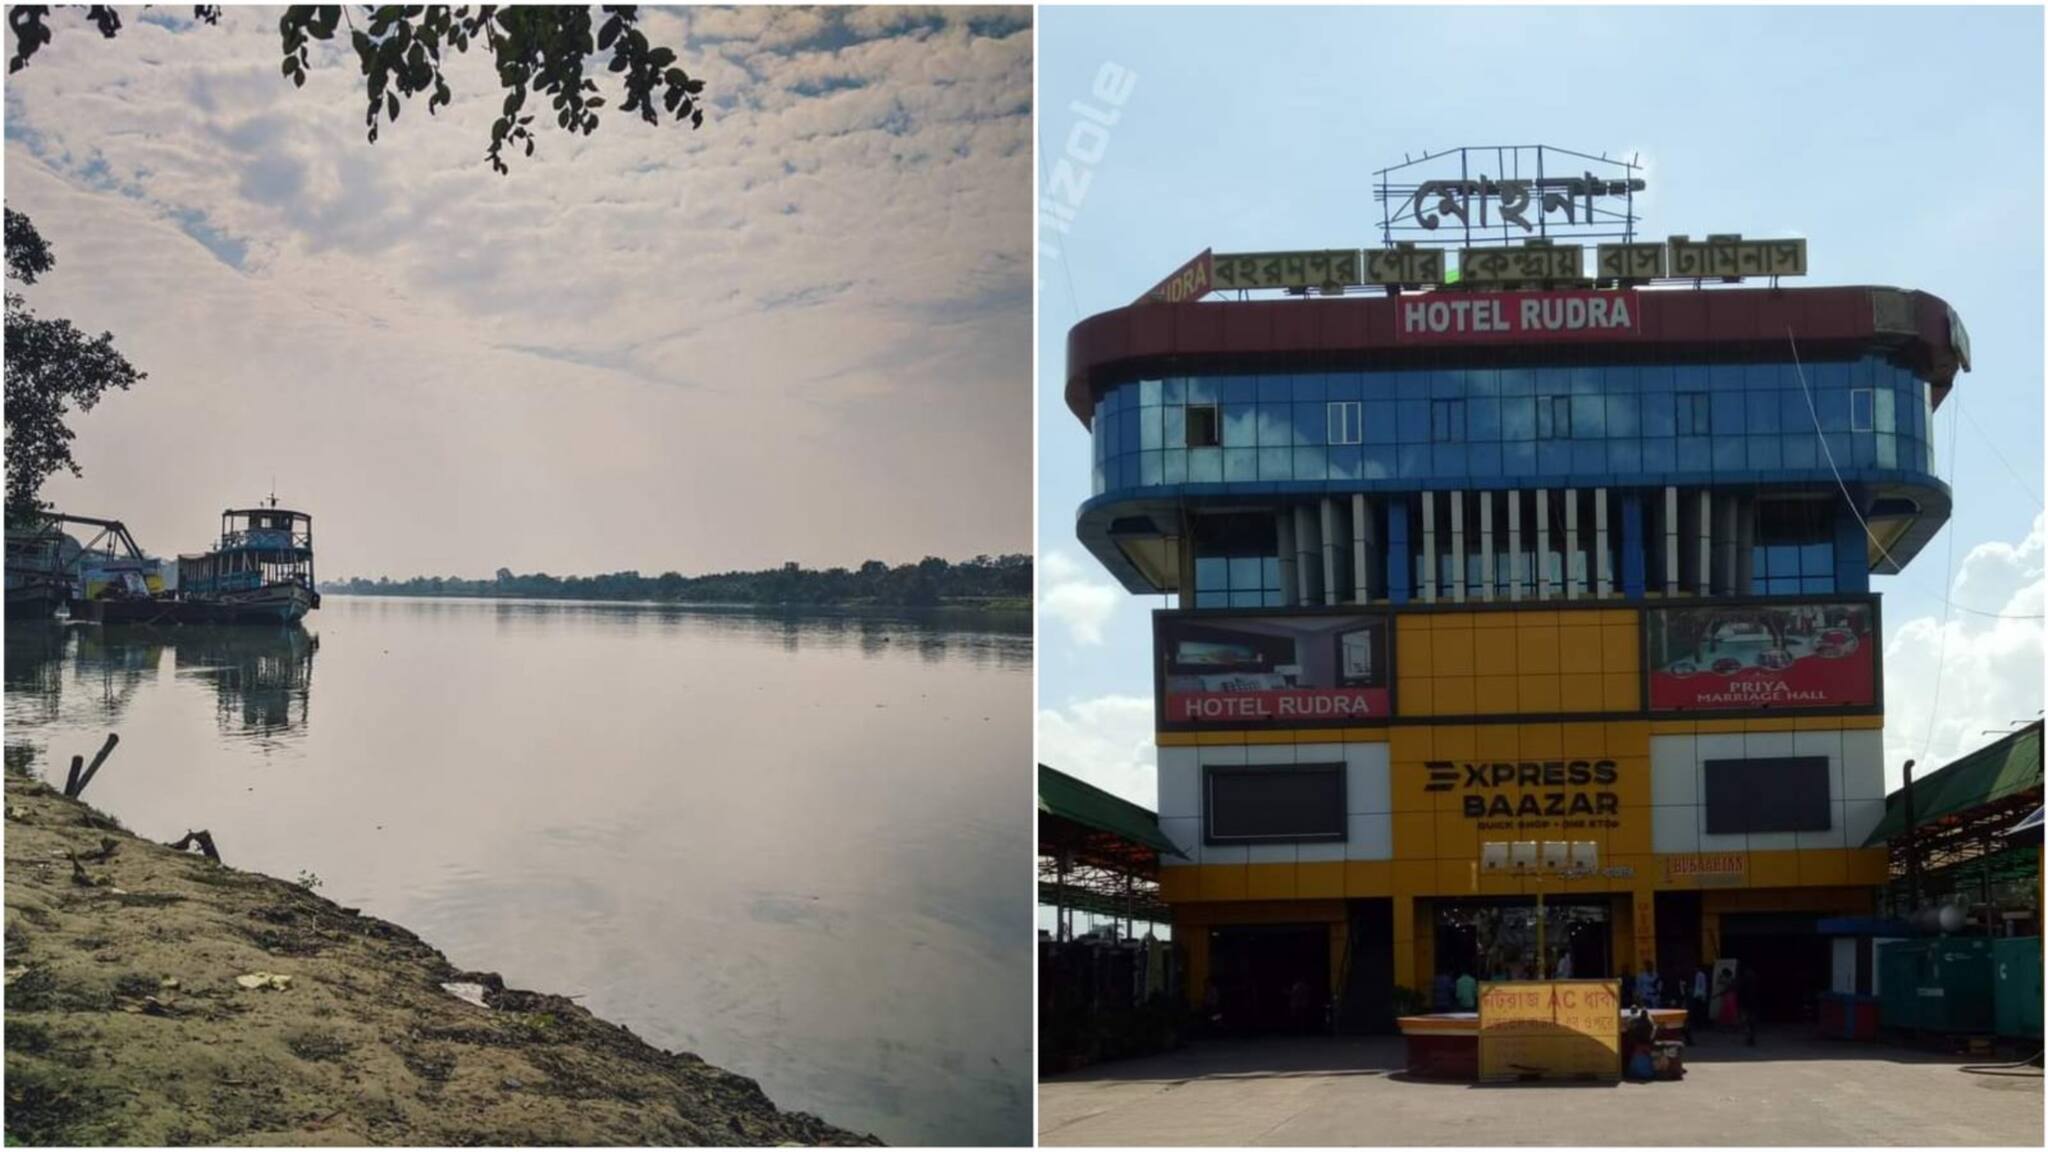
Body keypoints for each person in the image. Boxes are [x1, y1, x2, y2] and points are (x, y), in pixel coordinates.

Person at [1738, 963, 1759, 1046]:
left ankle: (1749, 1036)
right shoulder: (1755, 980)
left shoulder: (1743, 980)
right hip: (1753, 1002)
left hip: (1745, 1002)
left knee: (1746, 1020)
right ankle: (1751, 1037)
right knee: (1752, 1021)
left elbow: (1740, 991)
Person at [1691, 965, 1711, 1031]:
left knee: (1699, 1010)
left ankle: (1699, 1025)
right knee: (1697, 1010)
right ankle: (1698, 1025)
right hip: (1697, 994)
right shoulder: (1697, 975)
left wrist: (1701, 994)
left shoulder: (1701, 975)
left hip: (1699, 995)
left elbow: (1702, 985)